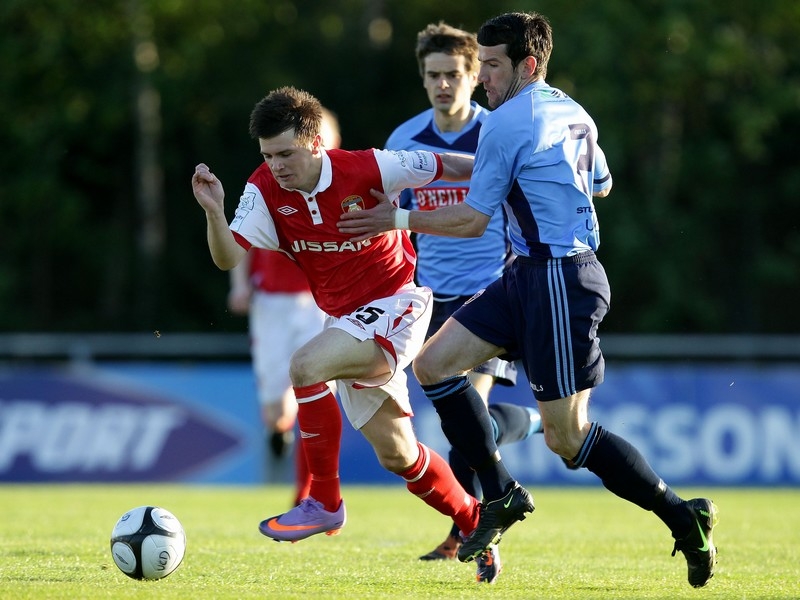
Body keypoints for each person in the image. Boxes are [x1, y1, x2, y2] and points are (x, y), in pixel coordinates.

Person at [338, 11, 719, 588]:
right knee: (435, 365)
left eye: (492, 65)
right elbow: (602, 184)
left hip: (560, 280)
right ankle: (502, 493)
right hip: (524, 274)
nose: (482, 76)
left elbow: (470, 220)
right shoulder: (571, 108)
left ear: (528, 65)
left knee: (568, 439)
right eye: (482, 63)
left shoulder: (507, 122)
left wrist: (394, 216)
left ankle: (681, 516)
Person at [192, 86, 502, 583]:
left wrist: (506, 172)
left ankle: (325, 501)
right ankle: (473, 521)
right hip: (346, 322)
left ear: (317, 143)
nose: (277, 166)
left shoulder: (372, 167)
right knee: (398, 455)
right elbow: (229, 257)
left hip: (400, 304)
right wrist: (213, 211)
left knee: (305, 366)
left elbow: (453, 166)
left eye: (286, 154)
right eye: (268, 156)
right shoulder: (263, 189)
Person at [384, 22, 543, 572]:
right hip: (426, 297)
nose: (444, 85)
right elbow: (389, 223)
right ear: (423, 79)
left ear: (476, 76)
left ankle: (472, 535)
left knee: (460, 428)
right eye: (434, 76)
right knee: (470, 421)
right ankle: (538, 424)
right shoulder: (404, 140)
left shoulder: (498, 133)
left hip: (492, 293)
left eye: (454, 74)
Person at [227, 108, 341, 506]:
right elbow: (239, 241)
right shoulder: (266, 187)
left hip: (315, 304)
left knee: (312, 389)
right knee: (276, 412)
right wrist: (239, 285)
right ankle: (281, 431)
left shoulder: (342, 187)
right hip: (270, 305)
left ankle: (306, 496)